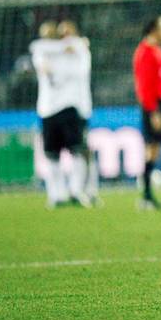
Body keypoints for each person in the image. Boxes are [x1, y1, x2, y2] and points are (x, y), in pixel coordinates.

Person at [30, 20, 93, 209]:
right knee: (52, 155)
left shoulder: (76, 51)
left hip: (70, 107)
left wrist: (74, 45)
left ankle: (75, 191)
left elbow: (82, 57)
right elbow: (36, 49)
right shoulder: (44, 51)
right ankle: (56, 195)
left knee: (76, 151)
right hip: (48, 109)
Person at [57, 20, 99, 205]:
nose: (65, 38)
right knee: (72, 151)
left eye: (68, 33)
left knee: (83, 150)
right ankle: (75, 189)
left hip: (80, 109)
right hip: (62, 110)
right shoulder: (58, 55)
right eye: (62, 34)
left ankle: (88, 190)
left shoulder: (82, 53)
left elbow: (81, 69)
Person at [133, 15, 161, 211]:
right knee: (151, 150)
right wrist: (153, 111)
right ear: (154, 29)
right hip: (153, 106)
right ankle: (146, 195)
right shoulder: (145, 52)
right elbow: (144, 86)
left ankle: (148, 195)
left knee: (156, 150)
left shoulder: (155, 49)